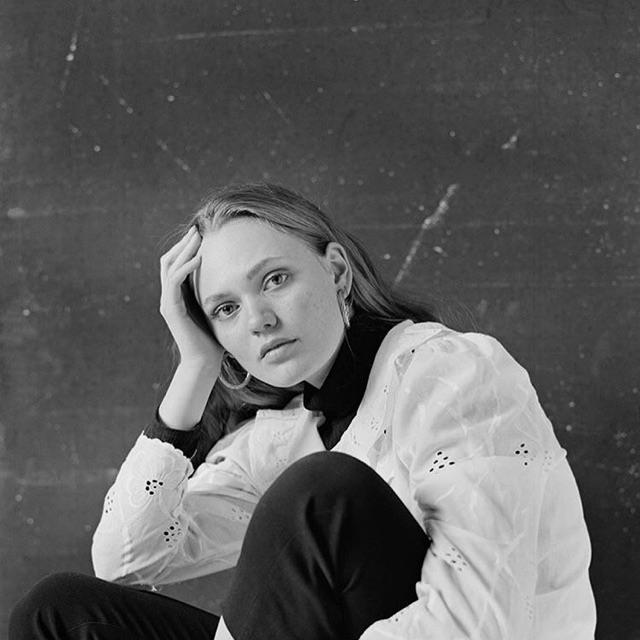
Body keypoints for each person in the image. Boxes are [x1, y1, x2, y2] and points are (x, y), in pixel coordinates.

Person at [10, 183, 597, 639]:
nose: (259, 320)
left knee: (322, 493)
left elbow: (480, 623)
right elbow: (126, 559)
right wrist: (194, 366)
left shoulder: (449, 373)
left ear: (337, 271)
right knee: (58, 613)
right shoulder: (286, 436)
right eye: (225, 310)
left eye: (275, 279)